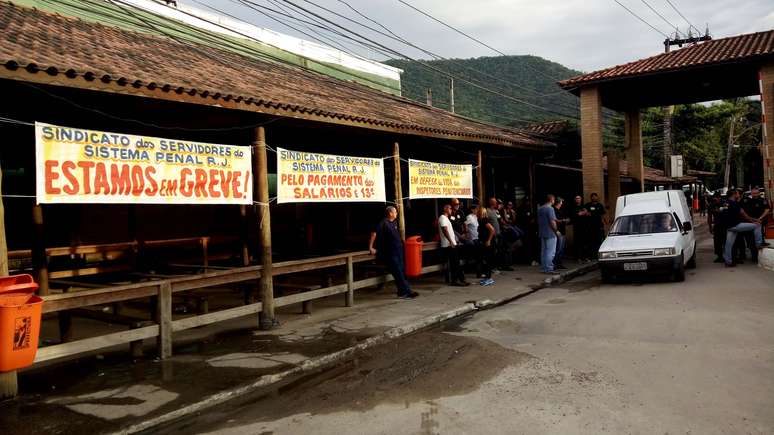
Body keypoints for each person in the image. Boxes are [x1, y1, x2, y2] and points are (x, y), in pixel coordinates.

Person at [369, 206, 418, 299]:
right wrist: (371, 247)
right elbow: (374, 234)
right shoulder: (383, 223)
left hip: (398, 251)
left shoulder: (394, 222)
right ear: (390, 213)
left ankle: (405, 291)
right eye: (395, 212)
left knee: (403, 272)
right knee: (398, 272)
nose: (396, 214)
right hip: (390, 252)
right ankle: (405, 292)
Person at [723, 189, 769, 267]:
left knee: (728, 245)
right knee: (757, 225)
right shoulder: (735, 203)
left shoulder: (725, 203)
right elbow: (744, 215)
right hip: (736, 225)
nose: (739, 195)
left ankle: (728, 262)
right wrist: (755, 220)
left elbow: (722, 213)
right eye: (737, 193)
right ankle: (759, 243)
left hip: (728, 226)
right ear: (734, 194)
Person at [439, 204, 470, 286]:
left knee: (456, 262)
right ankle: (455, 280)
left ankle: (461, 279)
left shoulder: (446, 218)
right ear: (445, 209)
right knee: (454, 263)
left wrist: (455, 240)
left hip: (452, 243)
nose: (451, 210)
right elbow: (445, 230)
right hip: (448, 244)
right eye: (450, 208)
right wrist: (451, 241)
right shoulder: (442, 218)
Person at [537, 194, 560, 274]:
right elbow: (552, 221)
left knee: (544, 251)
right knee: (551, 252)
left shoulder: (540, 209)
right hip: (550, 233)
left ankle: (544, 268)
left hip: (542, 232)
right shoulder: (550, 209)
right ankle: (549, 268)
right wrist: (556, 231)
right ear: (551, 199)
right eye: (553, 199)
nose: (554, 201)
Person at [476, 205, 496, 285]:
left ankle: (489, 278)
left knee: (488, 260)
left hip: (488, 243)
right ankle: (487, 277)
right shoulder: (480, 220)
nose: (477, 212)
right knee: (484, 260)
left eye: (478, 211)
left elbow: (492, 230)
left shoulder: (484, 220)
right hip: (483, 242)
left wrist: (489, 240)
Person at [570, 195, 591, 262]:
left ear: (581, 199)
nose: (578, 199)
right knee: (578, 243)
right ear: (575, 200)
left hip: (584, 228)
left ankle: (585, 257)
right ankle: (578, 258)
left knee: (585, 243)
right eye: (576, 198)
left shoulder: (583, 206)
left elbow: (589, 214)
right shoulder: (573, 207)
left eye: (579, 198)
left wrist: (584, 212)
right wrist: (584, 212)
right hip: (577, 228)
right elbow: (578, 214)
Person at [707, 192, 726, 263]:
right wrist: (710, 227)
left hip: (725, 225)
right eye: (714, 198)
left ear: (719, 198)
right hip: (717, 225)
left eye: (717, 198)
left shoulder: (725, 203)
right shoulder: (711, 205)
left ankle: (727, 255)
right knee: (717, 241)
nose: (715, 200)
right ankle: (720, 256)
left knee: (725, 241)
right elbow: (709, 217)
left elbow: (727, 212)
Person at [552, 197, 569, 270]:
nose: (562, 203)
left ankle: (559, 264)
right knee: (557, 248)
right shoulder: (553, 210)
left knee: (561, 249)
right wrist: (563, 220)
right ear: (559, 202)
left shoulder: (561, 210)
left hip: (563, 231)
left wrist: (567, 220)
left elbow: (565, 218)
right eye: (561, 202)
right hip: (557, 231)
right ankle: (554, 264)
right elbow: (554, 220)